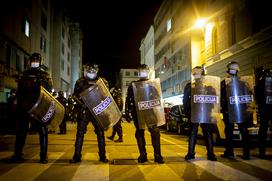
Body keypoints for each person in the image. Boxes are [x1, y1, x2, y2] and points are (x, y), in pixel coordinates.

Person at [11, 52, 53, 164]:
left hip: (38, 106)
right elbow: (19, 90)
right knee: (21, 131)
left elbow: (49, 91)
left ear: (40, 62)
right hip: (25, 105)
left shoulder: (45, 75)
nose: (35, 63)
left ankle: (43, 156)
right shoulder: (24, 74)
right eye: (33, 61)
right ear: (30, 62)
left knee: (42, 130)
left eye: (36, 61)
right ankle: (17, 154)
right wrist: (18, 102)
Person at [70, 63, 109, 163]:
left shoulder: (102, 82)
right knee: (80, 133)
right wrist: (80, 105)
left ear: (96, 71)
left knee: (100, 133)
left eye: (93, 71)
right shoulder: (80, 82)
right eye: (89, 71)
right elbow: (75, 96)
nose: (91, 73)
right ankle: (77, 156)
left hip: (97, 110)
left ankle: (102, 156)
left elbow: (106, 97)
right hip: (84, 110)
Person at [125, 64, 164, 164]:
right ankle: (143, 155)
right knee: (139, 133)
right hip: (138, 113)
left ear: (147, 72)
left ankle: (157, 155)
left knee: (155, 132)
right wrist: (127, 112)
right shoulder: (133, 85)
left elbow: (157, 97)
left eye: (144, 71)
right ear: (138, 72)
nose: (143, 73)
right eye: (141, 71)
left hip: (150, 111)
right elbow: (128, 99)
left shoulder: (151, 84)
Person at [183, 66, 218, 161]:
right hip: (193, 113)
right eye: (194, 73)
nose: (195, 75)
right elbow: (185, 100)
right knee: (193, 133)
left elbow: (214, 100)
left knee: (207, 133)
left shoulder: (208, 87)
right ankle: (190, 153)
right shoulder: (189, 86)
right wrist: (187, 113)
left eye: (197, 73)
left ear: (202, 74)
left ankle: (210, 153)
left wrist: (212, 112)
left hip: (205, 113)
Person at [221, 61, 253, 160]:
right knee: (243, 131)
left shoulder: (224, 83)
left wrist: (223, 108)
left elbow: (222, 97)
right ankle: (246, 153)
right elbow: (249, 96)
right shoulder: (244, 83)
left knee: (229, 132)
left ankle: (230, 152)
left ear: (228, 71)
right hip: (241, 111)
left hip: (229, 111)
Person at [255, 68, 272, 158]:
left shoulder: (260, 83)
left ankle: (262, 151)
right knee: (263, 130)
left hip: (264, 109)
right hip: (265, 109)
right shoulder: (262, 83)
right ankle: (262, 151)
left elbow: (257, 97)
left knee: (263, 130)